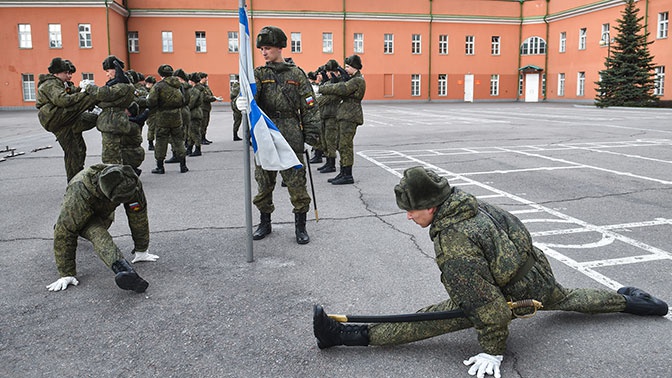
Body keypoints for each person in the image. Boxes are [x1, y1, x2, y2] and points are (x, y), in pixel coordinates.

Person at [313, 166, 668, 378]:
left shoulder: (455, 244)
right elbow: (519, 234)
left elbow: (490, 310)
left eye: (412, 210)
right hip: (537, 276)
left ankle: (344, 336)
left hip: (511, 293)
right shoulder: (472, 205)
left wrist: (493, 349)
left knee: (429, 319)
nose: (407, 216)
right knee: (569, 297)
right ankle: (628, 301)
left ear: (432, 206)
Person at [237, 25, 321, 244]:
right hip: (265, 131)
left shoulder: (296, 74)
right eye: (262, 49)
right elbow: (247, 98)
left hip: (291, 132)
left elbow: (310, 106)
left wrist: (311, 135)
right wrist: (240, 100)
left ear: (280, 47)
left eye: (268, 48)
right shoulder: (259, 74)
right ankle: (265, 222)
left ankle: (300, 226)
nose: (264, 52)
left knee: (296, 182)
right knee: (264, 181)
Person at [46, 164, 159, 293]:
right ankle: (124, 270)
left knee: (94, 230)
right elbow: (65, 231)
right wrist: (66, 273)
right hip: (82, 211)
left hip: (103, 214)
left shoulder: (131, 182)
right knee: (97, 234)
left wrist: (142, 249)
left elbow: (138, 216)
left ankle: (125, 270)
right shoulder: (78, 191)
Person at [36, 57, 98, 182]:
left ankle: (75, 181)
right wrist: (86, 94)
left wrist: (81, 89)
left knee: (73, 152)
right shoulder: (50, 84)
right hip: (54, 117)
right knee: (89, 98)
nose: (69, 76)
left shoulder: (62, 83)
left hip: (60, 121)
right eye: (66, 73)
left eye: (70, 73)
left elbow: (72, 92)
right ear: (57, 73)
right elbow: (63, 100)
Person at [316, 54, 366, 185]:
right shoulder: (352, 79)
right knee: (340, 143)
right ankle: (343, 172)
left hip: (350, 116)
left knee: (345, 145)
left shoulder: (357, 80)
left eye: (348, 66)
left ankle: (347, 174)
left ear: (354, 67)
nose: (346, 69)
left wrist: (323, 88)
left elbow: (342, 89)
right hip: (345, 115)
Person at [84, 55, 136, 165]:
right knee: (117, 154)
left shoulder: (123, 86)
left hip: (112, 124)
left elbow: (104, 94)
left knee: (110, 157)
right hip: (115, 123)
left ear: (116, 69)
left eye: (108, 71)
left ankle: (115, 180)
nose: (107, 74)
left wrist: (88, 87)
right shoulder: (121, 84)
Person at [146, 64, 188, 174]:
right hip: (176, 116)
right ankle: (183, 165)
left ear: (161, 74)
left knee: (161, 140)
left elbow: (151, 101)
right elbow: (184, 100)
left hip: (162, 116)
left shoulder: (158, 86)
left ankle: (160, 166)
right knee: (179, 140)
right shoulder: (179, 85)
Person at [186, 72, 205, 157]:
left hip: (194, 113)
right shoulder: (199, 89)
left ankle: (197, 149)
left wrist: (186, 108)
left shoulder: (195, 90)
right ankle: (189, 148)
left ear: (192, 81)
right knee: (191, 132)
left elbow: (191, 102)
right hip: (196, 112)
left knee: (195, 132)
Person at [198, 72, 218, 144]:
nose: (206, 79)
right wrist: (214, 98)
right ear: (201, 78)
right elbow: (204, 97)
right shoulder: (199, 87)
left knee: (206, 123)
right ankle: (200, 139)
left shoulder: (206, 87)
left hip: (207, 108)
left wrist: (213, 97)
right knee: (202, 124)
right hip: (202, 108)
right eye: (205, 78)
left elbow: (210, 94)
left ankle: (204, 137)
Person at [144, 75, 157, 150]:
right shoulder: (147, 91)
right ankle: (150, 143)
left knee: (153, 128)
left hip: (153, 112)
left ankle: (152, 143)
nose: (148, 85)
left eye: (149, 83)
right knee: (151, 128)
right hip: (150, 112)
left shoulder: (153, 90)